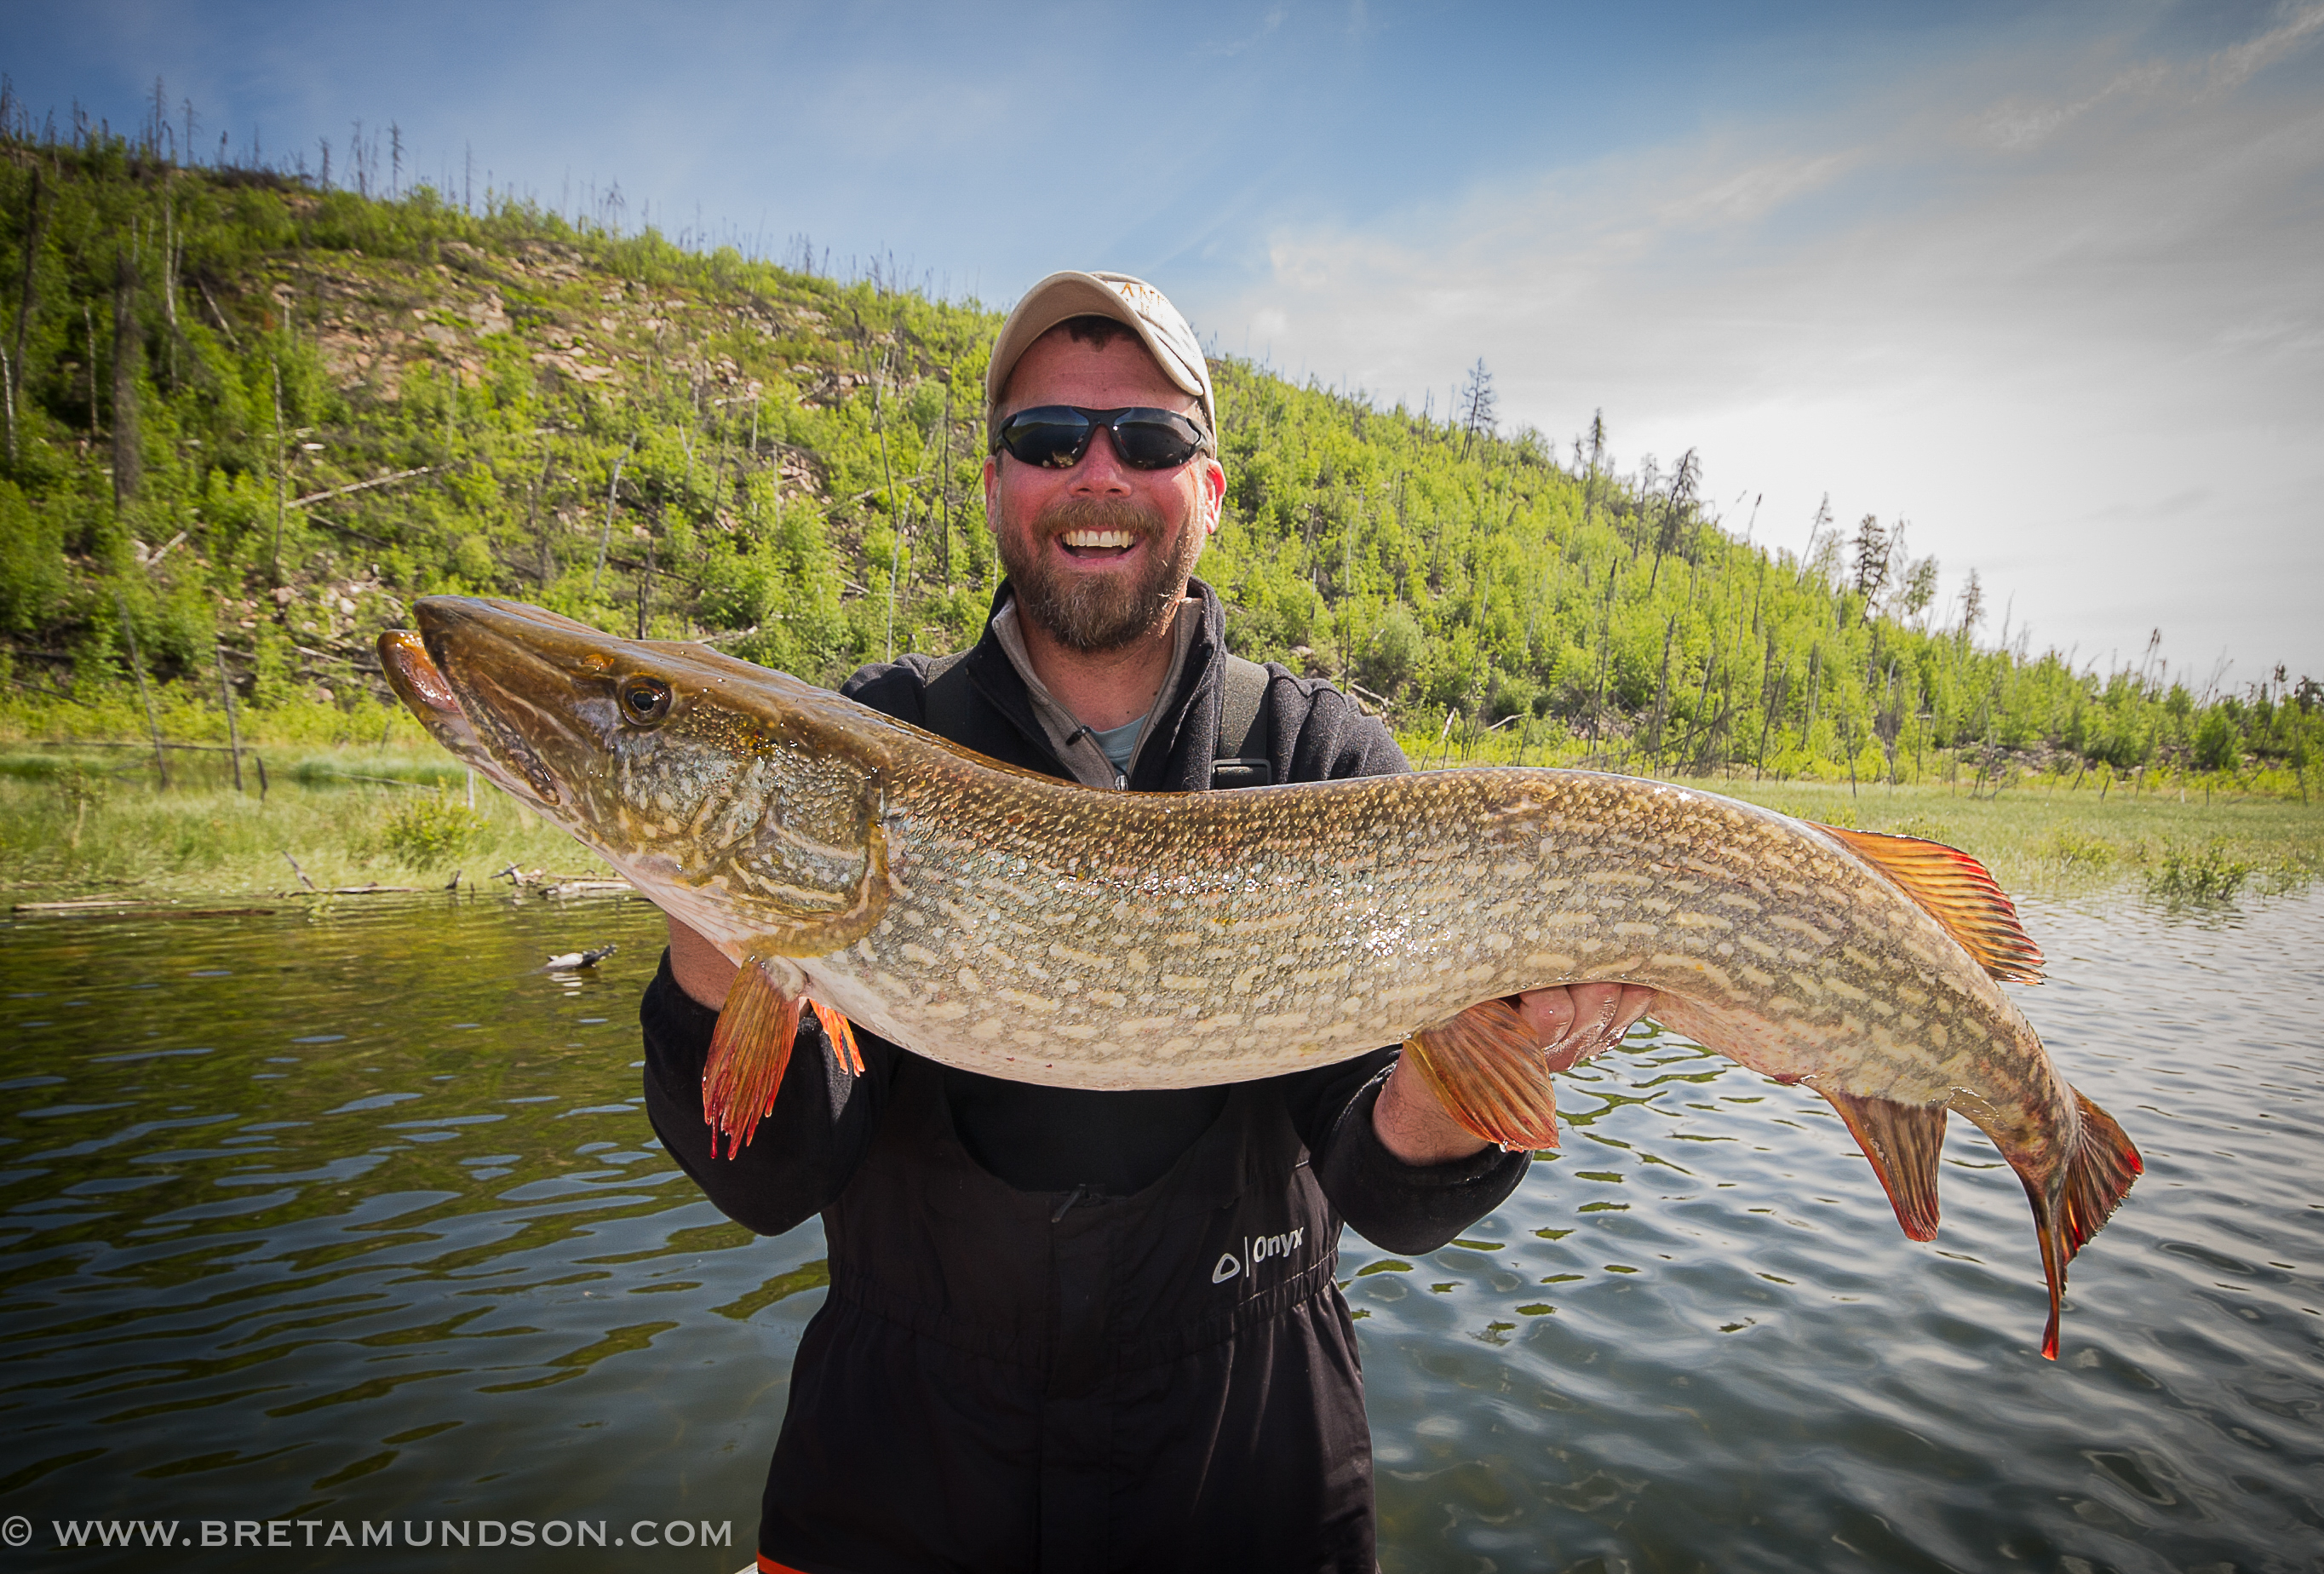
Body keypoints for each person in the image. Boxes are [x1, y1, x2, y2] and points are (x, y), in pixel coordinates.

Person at [640, 270, 1654, 1574]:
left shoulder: (1320, 760)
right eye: (1047, 438)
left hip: (1246, 1477)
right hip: (904, 1485)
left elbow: (1387, 1190)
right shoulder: (871, 744)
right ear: (996, 484)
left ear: (1210, 490)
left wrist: (1485, 1057)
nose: (1098, 472)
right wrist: (715, 927)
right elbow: (769, 1181)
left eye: (1150, 439)